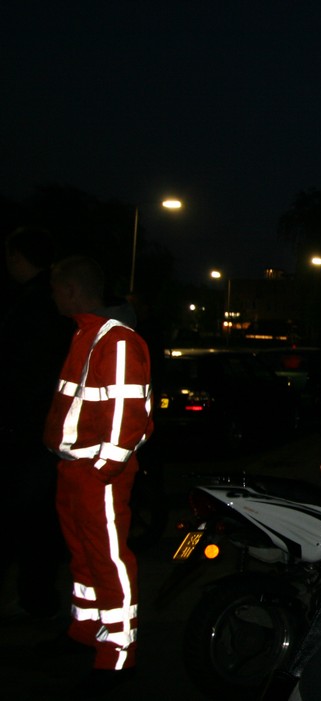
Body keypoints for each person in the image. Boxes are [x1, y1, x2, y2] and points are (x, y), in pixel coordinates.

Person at [42, 255, 153, 694]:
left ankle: (118, 657)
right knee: (84, 557)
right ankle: (86, 632)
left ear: (71, 290)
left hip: (96, 473)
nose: (53, 297)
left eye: (56, 289)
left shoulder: (116, 339)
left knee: (109, 561)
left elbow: (129, 411)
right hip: (76, 469)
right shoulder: (85, 334)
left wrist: (104, 468)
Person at [0, 227, 74, 620]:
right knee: (39, 521)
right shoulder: (48, 304)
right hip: (46, 429)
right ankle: (37, 595)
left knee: (27, 519)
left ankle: (36, 598)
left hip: (29, 430)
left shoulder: (31, 306)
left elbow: (24, 372)